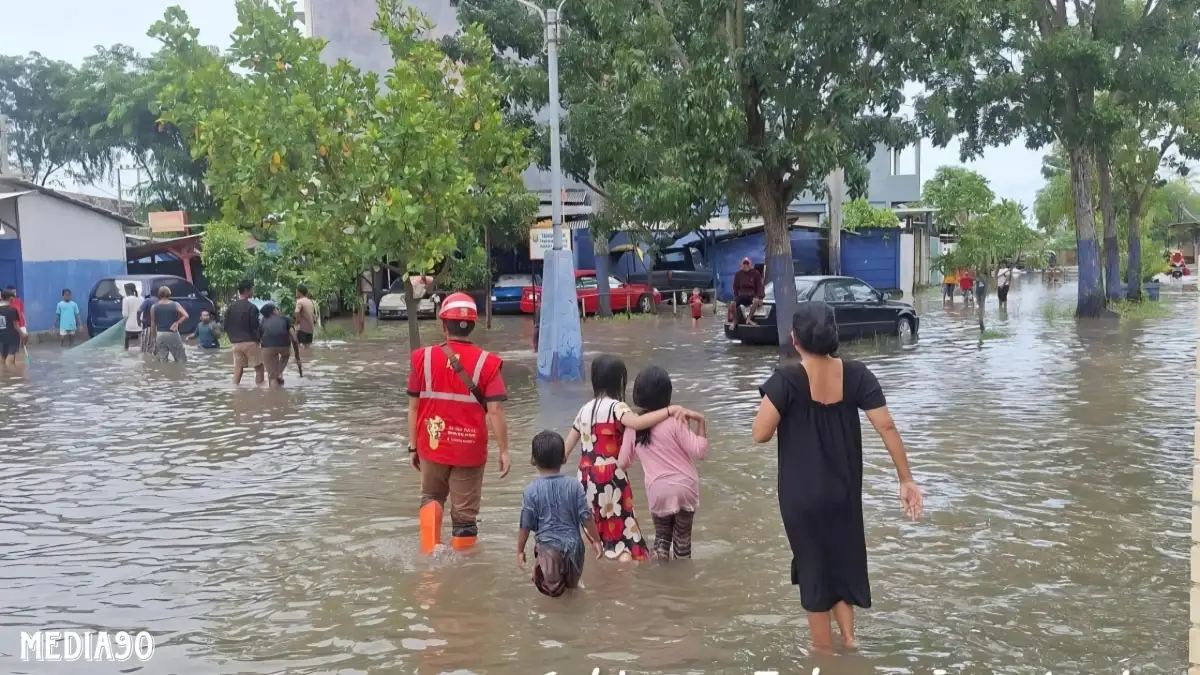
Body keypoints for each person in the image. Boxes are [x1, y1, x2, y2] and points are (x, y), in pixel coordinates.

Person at [752, 301, 922, 652]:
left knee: (814, 570)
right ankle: (849, 640)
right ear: (834, 335)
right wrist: (906, 479)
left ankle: (823, 654)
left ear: (795, 338)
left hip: (802, 497)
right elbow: (886, 426)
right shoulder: (857, 374)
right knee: (840, 561)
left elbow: (760, 433)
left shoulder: (787, 379)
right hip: (844, 491)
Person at [564, 354, 697, 561]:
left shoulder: (583, 410)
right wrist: (670, 410)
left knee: (599, 533)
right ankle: (627, 578)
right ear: (619, 381)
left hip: (585, 478)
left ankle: (603, 577)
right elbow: (637, 424)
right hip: (610, 476)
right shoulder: (618, 407)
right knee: (624, 534)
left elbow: (565, 451)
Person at [407, 292, 510, 553]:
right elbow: (495, 410)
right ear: (473, 325)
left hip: (432, 443)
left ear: (443, 325)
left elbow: (413, 406)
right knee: (464, 517)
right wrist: (504, 450)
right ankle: (463, 574)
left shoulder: (423, 358)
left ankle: (430, 560)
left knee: (431, 498)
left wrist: (412, 446)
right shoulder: (489, 363)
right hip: (469, 450)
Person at [617, 366, 707, 560]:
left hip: (657, 490)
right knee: (682, 542)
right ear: (667, 395)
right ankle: (683, 583)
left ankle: (658, 584)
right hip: (685, 487)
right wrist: (701, 422)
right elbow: (699, 451)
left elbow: (623, 462)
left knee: (661, 541)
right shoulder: (676, 421)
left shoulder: (633, 428)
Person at [518, 430, 603, 597]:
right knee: (573, 590)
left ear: (533, 459)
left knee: (553, 596)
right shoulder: (574, 485)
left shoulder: (531, 491)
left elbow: (525, 525)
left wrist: (520, 551)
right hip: (575, 548)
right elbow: (586, 516)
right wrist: (597, 540)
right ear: (563, 459)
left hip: (549, 550)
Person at [224, 279, 264, 385]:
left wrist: (232, 338)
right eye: (252, 289)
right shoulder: (252, 307)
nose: (253, 291)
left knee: (238, 369)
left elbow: (226, 326)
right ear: (247, 290)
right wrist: (258, 340)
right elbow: (255, 326)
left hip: (235, 343)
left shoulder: (230, 308)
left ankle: (235, 389)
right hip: (250, 342)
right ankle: (261, 392)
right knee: (259, 368)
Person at [259, 303, 298, 387]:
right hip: (284, 346)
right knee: (284, 357)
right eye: (277, 309)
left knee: (272, 376)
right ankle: (279, 372)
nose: (279, 310)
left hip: (267, 347)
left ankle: (274, 394)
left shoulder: (263, 322)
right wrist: (297, 356)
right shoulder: (286, 319)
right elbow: (294, 337)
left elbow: (259, 338)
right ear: (273, 311)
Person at [150, 286, 189, 362]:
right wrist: (177, 323)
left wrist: (153, 338)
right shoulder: (175, 304)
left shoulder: (154, 306)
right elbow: (186, 315)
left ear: (159, 294)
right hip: (173, 333)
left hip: (160, 334)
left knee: (162, 360)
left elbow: (153, 323)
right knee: (181, 359)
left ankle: (164, 373)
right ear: (169, 294)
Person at [732, 257, 765, 325]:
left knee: (756, 301)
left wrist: (760, 297)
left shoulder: (756, 273)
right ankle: (735, 321)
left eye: (747, 264)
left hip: (751, 296)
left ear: (750, 265)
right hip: (741, 295)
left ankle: (749, 319)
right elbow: (735, 286)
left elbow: (760, 286)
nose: (745, 265)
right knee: (732, 303)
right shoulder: (738, 274)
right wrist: (736, 296)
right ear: (741, 265)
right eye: (744, 264)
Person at [0, 289, 26, 367]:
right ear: (11, 298)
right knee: (10, 357)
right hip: (12, 336)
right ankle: (10, 376)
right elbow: (15, 325)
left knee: (2, 357)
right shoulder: (12, 310)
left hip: (1, 336)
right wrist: (22, 334)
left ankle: (3, 376)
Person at [121, 283, 143, 350]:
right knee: (141, 345)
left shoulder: (126, 300)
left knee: (126, 347)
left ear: (127, 290)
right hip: (140, 325)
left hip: (129, 326)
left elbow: (125, 314)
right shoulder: (141, 298)